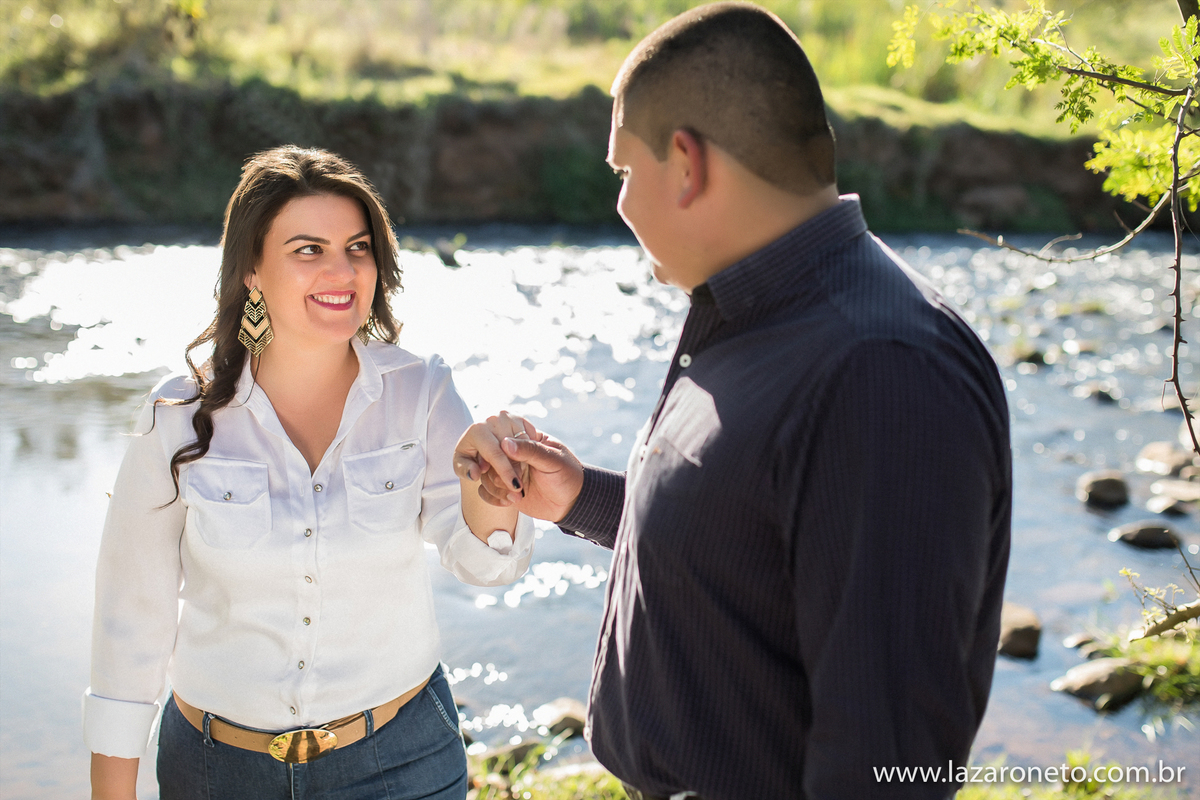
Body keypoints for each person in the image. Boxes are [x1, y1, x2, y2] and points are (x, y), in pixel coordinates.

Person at [454, 3, 1012, 798]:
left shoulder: (881, 373)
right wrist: (580, 499)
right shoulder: (753, 314)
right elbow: (745, 551)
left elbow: (887, 761)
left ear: (687, 163)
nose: (618, 204)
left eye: (623, 171)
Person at [86, 145, 534, 799]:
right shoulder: (176, 417)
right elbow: (131, 621)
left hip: (401, 763)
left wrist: (491, 489)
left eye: (358, 247)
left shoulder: (423, 391)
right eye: (307, 249)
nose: (343, 270)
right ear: (250, 271)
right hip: (215, 772)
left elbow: (487, 565)